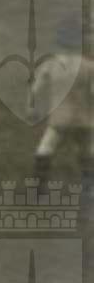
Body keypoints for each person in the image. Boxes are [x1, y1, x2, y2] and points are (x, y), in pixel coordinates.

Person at [32, 16, 93, 191]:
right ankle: (89, 188)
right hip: (84, 118)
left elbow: (35, 89)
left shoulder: (50, 64)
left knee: (45, 148)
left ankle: (39, 187)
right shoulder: (89, 66)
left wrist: (32, 108)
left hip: (60, 118)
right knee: (86, 150)